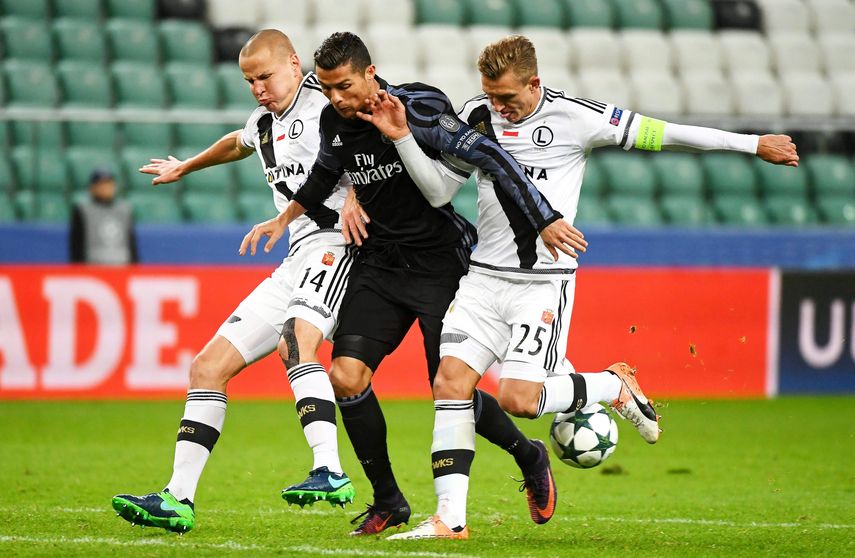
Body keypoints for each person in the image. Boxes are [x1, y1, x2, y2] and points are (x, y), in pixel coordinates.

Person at [364, 34, 800, 539]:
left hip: (542, 283)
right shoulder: (476, 113)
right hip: (482, 277)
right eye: (490, 96)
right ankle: (450, 520)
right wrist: (400, 139)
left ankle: (612, 384)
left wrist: (750, 144)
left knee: (519, 400)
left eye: (507, 98)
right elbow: (442, 189)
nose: (498, 108)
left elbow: (665, 133)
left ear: (534, 82)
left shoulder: (577, 117)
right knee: (449, 384)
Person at [241, 31, 588, 537]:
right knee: (345, 375)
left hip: (438, 264)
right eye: (329, 89)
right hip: (379, 265)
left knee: (451, 390)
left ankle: (529, 453)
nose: (337, 98)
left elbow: (487, 156)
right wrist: (285, 217)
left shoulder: (421, 106)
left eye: (344, 86)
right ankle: (388, 500)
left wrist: (543, 216)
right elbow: (322, 177)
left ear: (370, 74)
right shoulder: (332, 120)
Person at [111, 29, 357, 534]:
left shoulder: (328, 104)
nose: (258, 88)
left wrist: (359, 194)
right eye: (249, 80)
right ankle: (177, 499)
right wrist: (187, 166)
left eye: (264, 76)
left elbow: (372, 143)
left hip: (340, 248)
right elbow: (237, 142)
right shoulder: (265, 121)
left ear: (293, 64)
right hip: (297, 257)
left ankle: (330, 469)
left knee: (297, 345)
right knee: (206, 367)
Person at [69, 168, 138, 265]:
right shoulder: (83, 210)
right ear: (92, 187)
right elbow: (76, 245)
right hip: (93, 267)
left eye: (108, 184)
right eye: (101, 184)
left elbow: (131, 244)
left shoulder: (125, 210)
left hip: (122, 268)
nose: (105, 188)